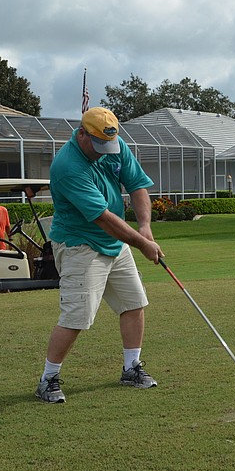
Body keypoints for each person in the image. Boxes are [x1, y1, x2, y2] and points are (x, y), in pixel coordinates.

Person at [35, 106, 164, 403]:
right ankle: (48, 379)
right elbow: (102, 217)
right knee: (76, 317)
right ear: (82, 134)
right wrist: (141, 244)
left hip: (115, 243)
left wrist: (145, 226)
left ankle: (131, 368)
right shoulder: (67, 166)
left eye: (108, 146)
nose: (104, 152)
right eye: (97, 145)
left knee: (134, 303)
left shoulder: (114, 147)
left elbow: (137, 185)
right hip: (80, 245)